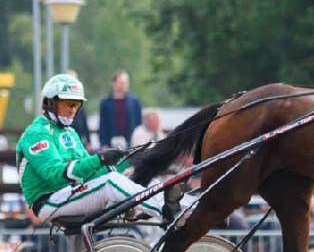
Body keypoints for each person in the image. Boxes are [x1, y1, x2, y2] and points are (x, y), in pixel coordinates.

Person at [15, 74, 193, 224]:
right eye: (67, 103)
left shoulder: (70, 132)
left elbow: (90, 173)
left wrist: (127, 162)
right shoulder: (36, 133)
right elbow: (54, 174)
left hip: (72, 192)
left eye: (76, 104)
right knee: (111, 182)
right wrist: (99, 159)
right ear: (49, 103)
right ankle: (169, 216)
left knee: (139, 175)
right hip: (49, 200)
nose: (72, 110)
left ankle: (190, 209)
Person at [99, 70, 142, 148]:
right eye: (121, 82)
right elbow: (102, 124)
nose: (124, 85)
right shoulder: (105, 102)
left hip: (131, 142)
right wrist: (103, 143)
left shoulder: (134, 101)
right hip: (111, 142)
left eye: (126, 82)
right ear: (114, 83)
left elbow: (139, 123)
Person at [66, 70, 91, 150]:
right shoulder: (61, 103)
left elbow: (84, 124)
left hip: (78, 140)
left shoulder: (80, 104)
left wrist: (88, 141)